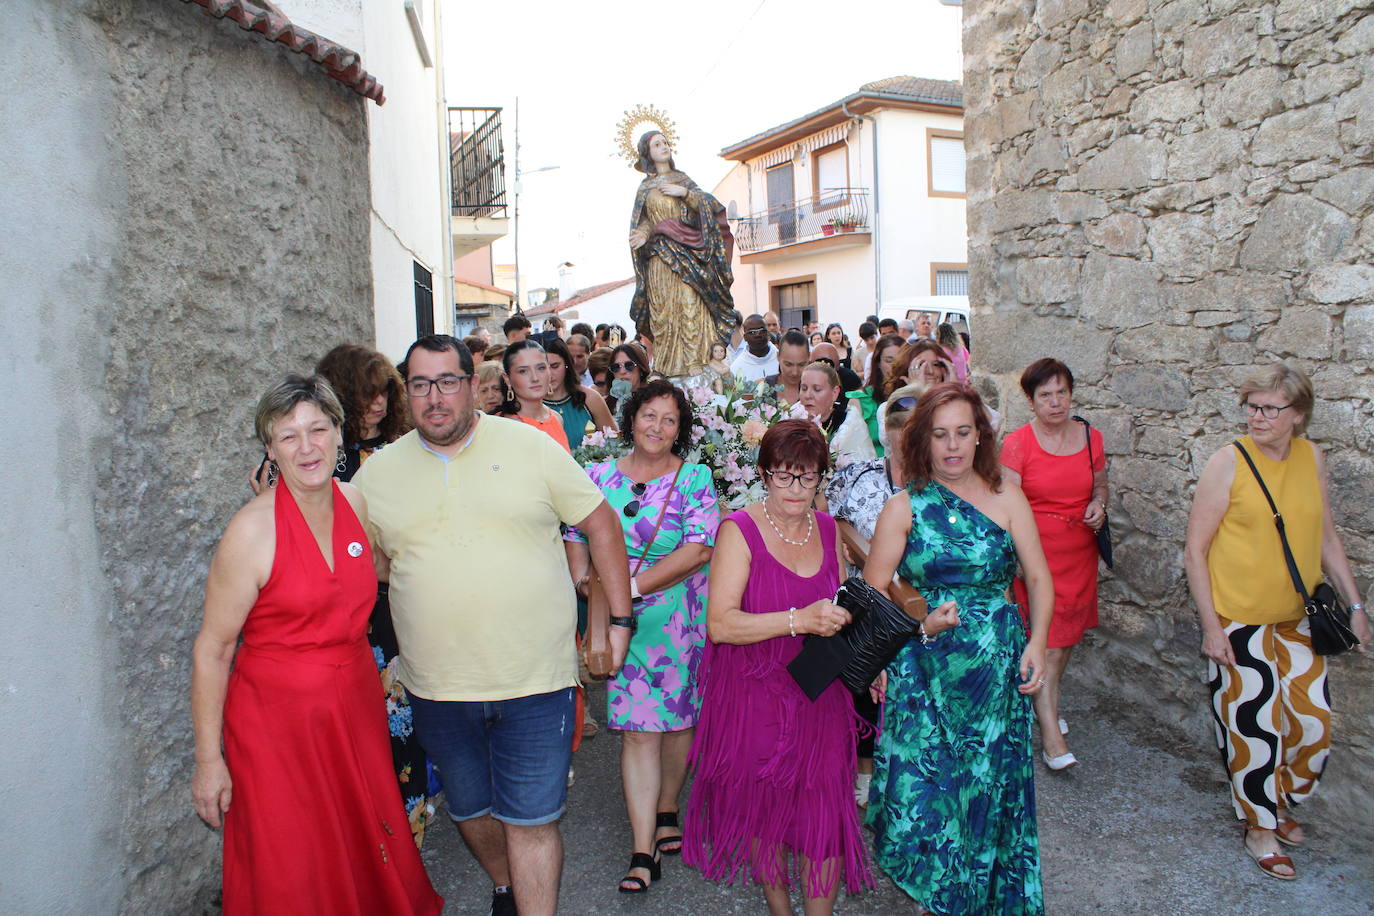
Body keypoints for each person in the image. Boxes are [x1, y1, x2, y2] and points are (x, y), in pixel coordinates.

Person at [353, 335, 634, 916]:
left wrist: (618, 622)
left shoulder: (528, 447)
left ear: (473, 384)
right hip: (437, 685)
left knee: (532, 820)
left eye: (448, 382)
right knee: (470, 813)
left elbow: (603, 526)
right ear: (408, 392)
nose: (435, 398)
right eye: (421, 384)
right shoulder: (376, 477)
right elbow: (370, 563)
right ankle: (506, 884)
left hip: (536, 680)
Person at [191, 375, 442, 915]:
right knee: (295, 854)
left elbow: (388, 575)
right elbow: (213, 650)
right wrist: (209, 761)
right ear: (269, 449)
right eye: (288, 437)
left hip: (353, 704)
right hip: (275, 725)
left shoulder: (356, 501)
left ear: (338, 432)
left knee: (359, 837)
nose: (306, 448)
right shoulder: (251, 532)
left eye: (317, 429)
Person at [863, 382, 1051, 915]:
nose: (952, 446)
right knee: (928, 790)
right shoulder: (902, 507)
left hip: (995, 671)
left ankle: (978, 896)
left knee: (986, 786)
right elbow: (871, 596)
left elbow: (1038, 578)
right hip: (922, 668)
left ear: (979, 437)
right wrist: (894, 649)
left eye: (963, 433)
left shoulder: (1008, 496)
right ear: (923, 440)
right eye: (941, 434)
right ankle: (938, 893)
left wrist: (1036, 641)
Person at [1183, 364, 1368, 881]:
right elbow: (1195, 551)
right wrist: (1211, 627)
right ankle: (1260, 827)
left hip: (1298, 621)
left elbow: (1326, 536)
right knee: (1253, 730)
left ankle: (1278, 802)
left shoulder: (1312, 458)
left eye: (1270, 408)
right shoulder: (1229, 463)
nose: (1257, 416)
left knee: (1311, 724)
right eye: (1252, 406)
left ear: (1299, 416)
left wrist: (1356, 606)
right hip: (1239, 621)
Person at [684, 420, 873, 915]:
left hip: (821, 694)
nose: (796, 489)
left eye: (808, 477)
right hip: (756, 694)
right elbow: (721, 624)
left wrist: (869, 659)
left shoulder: (829, 530)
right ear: (765, 474)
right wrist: (797, 620)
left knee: (826, 816)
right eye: (785, 476)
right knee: (766, 816)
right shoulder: (739, 531)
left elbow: (842, 605)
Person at [564, 380, 720, 893]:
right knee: (637, 731)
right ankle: (642, 846)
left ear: (681, 430)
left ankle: (669, 802)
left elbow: (698, 549)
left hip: (678, 619)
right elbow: (573, 535)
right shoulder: (596, 475)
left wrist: (625, 586)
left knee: (676, 724)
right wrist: (589, 585)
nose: (657, 427)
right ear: (631, 419)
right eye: (649, 415)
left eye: (669, 419)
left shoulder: (695, 478)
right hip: (616, 622)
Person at [314, 344, 437, 842]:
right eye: (368, 393)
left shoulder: (405, 450)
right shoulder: (317, 459)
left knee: (403, 719)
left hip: (397, 607)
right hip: (338, 614)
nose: (380, 403)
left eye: (386, 390)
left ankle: (407, 834)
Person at [1000, 359, 1107, 771]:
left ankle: (1046, 704)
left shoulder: (1090, 437)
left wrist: (1099, 504)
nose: (1056, 401)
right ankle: (1050, 734)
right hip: (1036, 558)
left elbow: (1100, 485)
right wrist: (1019, 561)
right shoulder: (1018, 443)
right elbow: (1007, 507)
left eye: (1062, 392)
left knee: (1063, 645)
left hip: (1079, 553)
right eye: (1046, 395)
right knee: (1044, 641)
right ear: (1031, 401)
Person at [823, 385, 922, 806]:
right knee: (861, 689)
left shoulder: (940, 485)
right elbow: (828, 522)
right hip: (868, 598)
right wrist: (843, 548)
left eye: (914, 430)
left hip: (920, 606)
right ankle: (863, 768)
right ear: (886, 431)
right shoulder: (856, 476)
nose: (904, 439)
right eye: (897, 428)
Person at [628, 130, 735, 378]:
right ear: (648, 153)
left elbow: (710, 208)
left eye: (665, 142)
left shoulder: (683, 180)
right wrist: (643, 234)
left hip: (687, 256)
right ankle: (665, 366)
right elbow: (643, 221)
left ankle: (697, 362)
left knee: (691, 304)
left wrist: (685, 194)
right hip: (659, 259)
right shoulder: (645, 188)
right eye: (657, 144)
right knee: (663, 311)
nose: (664, 147)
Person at [832, 333, 904, 463]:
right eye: (889, 360)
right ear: (878, 363)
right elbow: (847, 448)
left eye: (900, 361)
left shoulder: (917, 398)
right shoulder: (861, 400)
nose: (895, 367)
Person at [493, 339, 569, 452]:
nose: (535, 378)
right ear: (507, 379)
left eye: (541, 368)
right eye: (523, 371)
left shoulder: (557, 418)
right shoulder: (502, 426)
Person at [542, 337, 617, 450]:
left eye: (555, 366)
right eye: (542, 368)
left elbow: (615, 443)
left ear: (567, 364)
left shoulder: (590, 398)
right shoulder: (529, 405)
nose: (549, 374)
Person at [794, 360, 846, 446]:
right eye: (804, 388)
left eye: (817, 389)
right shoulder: (791, 416)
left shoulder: (849, 423)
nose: (808, 395)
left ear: (834, 393)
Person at [730, 314, 779, 382]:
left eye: (762, 331)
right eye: (752, 332)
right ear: (745, 337)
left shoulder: (782, 360)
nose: (757, 335)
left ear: (768, 334)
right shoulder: (736, 368)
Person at [768, 330, 811, 405]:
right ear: (778, 356)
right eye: (788, 364)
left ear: (809, 357)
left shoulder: (817, 391)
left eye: (801, 365)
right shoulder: (763, 388)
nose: (795, 372)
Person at [608, 341, 652, 414]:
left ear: (641, 369)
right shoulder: (604, 405)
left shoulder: (655, 400)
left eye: (629, 365)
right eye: (616, 367)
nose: (622, 372)